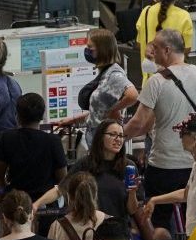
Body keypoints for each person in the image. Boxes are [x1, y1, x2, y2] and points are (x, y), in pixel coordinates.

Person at [125, 27, 196, 235]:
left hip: (165, 165)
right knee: (195, 219)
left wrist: (115, 135)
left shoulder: (157, 81)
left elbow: (139, 123)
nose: (151, 52)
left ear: (167, 50)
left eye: (155, 48)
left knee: (160, 225)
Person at [57, 29, 136, 158]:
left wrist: (114, 109)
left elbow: (132, 95)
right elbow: (99, 111)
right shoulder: (104, 73)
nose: (86, 51)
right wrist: (74, 120)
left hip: (106, 147)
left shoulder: (114, 75)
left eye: (90, 48)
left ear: (102, 50)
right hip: (96, 144)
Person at [0, 92, 69, 211]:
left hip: (16, 205)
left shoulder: (7, 138)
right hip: (47, 207)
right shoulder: (53, 141)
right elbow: (63, 180)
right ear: (42, 115)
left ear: (17, 115)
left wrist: (8, 192)